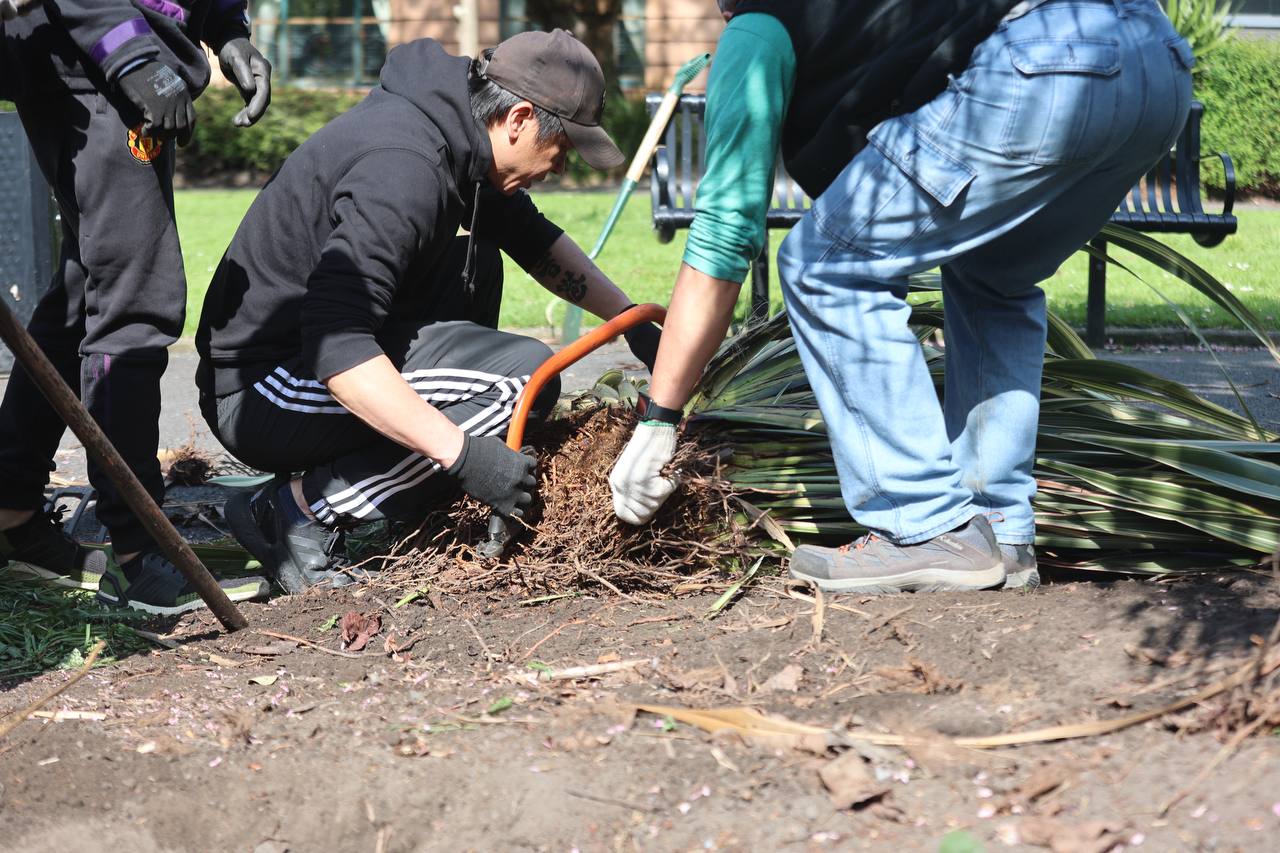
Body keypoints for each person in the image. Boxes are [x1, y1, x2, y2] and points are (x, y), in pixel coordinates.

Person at [609, 0, 1193, 594]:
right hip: (1157, 58)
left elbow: (725, 233)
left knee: (824, 266)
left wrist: (659, 419)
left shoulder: (759, 26)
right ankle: (996, 529)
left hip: (1051, 61)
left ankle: (924, 526)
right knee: (994, 276)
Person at [197, 30, 662, 594]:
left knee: (479, 257)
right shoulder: (405, 167)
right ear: (517, 119)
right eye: (562, 148)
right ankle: (296, 510)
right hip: (263, 388)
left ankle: (390, 487)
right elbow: (336, 346)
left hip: (307, 357)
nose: (561, 167)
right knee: (520, 382)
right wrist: (463, 456)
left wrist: (633, 321)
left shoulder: (459, 138)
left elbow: (534, 240)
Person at [0, 1, 274, 614]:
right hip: (92, 59)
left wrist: (225, 30)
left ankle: (11, 508)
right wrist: (134, 55)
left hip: (121, 58)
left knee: (86, 289)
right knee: (136, 301)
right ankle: (140, 555)